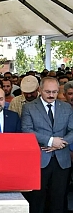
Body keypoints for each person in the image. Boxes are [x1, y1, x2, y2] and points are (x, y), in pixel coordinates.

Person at [22, 77, 73, 213]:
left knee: (58, 200)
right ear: (39, 90)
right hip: (39, 160)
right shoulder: (29, 107)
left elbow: (72, 130)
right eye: (48, 92)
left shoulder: (66, 107)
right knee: (37, 200)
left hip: (61, 160)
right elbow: (26, 130)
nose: (51, 95)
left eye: (55, 92)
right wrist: (50, 141)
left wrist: (60, 143)